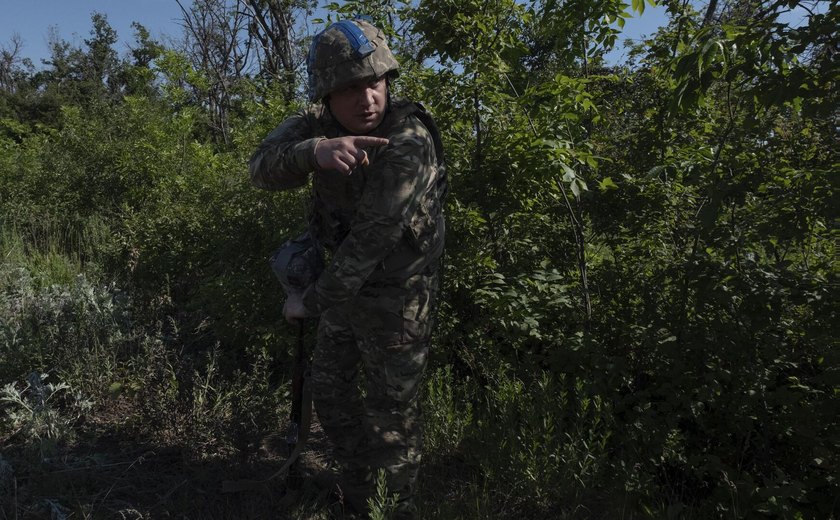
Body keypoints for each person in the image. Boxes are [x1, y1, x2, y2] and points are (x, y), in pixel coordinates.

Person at [248, 17, 446, 519]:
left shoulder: (408, 140)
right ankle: (359, 499)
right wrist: (314, 152)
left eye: (374, 83)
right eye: (350, 88)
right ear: (327, 95)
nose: (367, 99)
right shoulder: (318, 125)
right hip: (344, 291)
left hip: (398, 298)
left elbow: (370, 243)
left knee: (391, 422)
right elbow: (260, 168)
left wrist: (306, 303)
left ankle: (393, 512)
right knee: (332, 398)